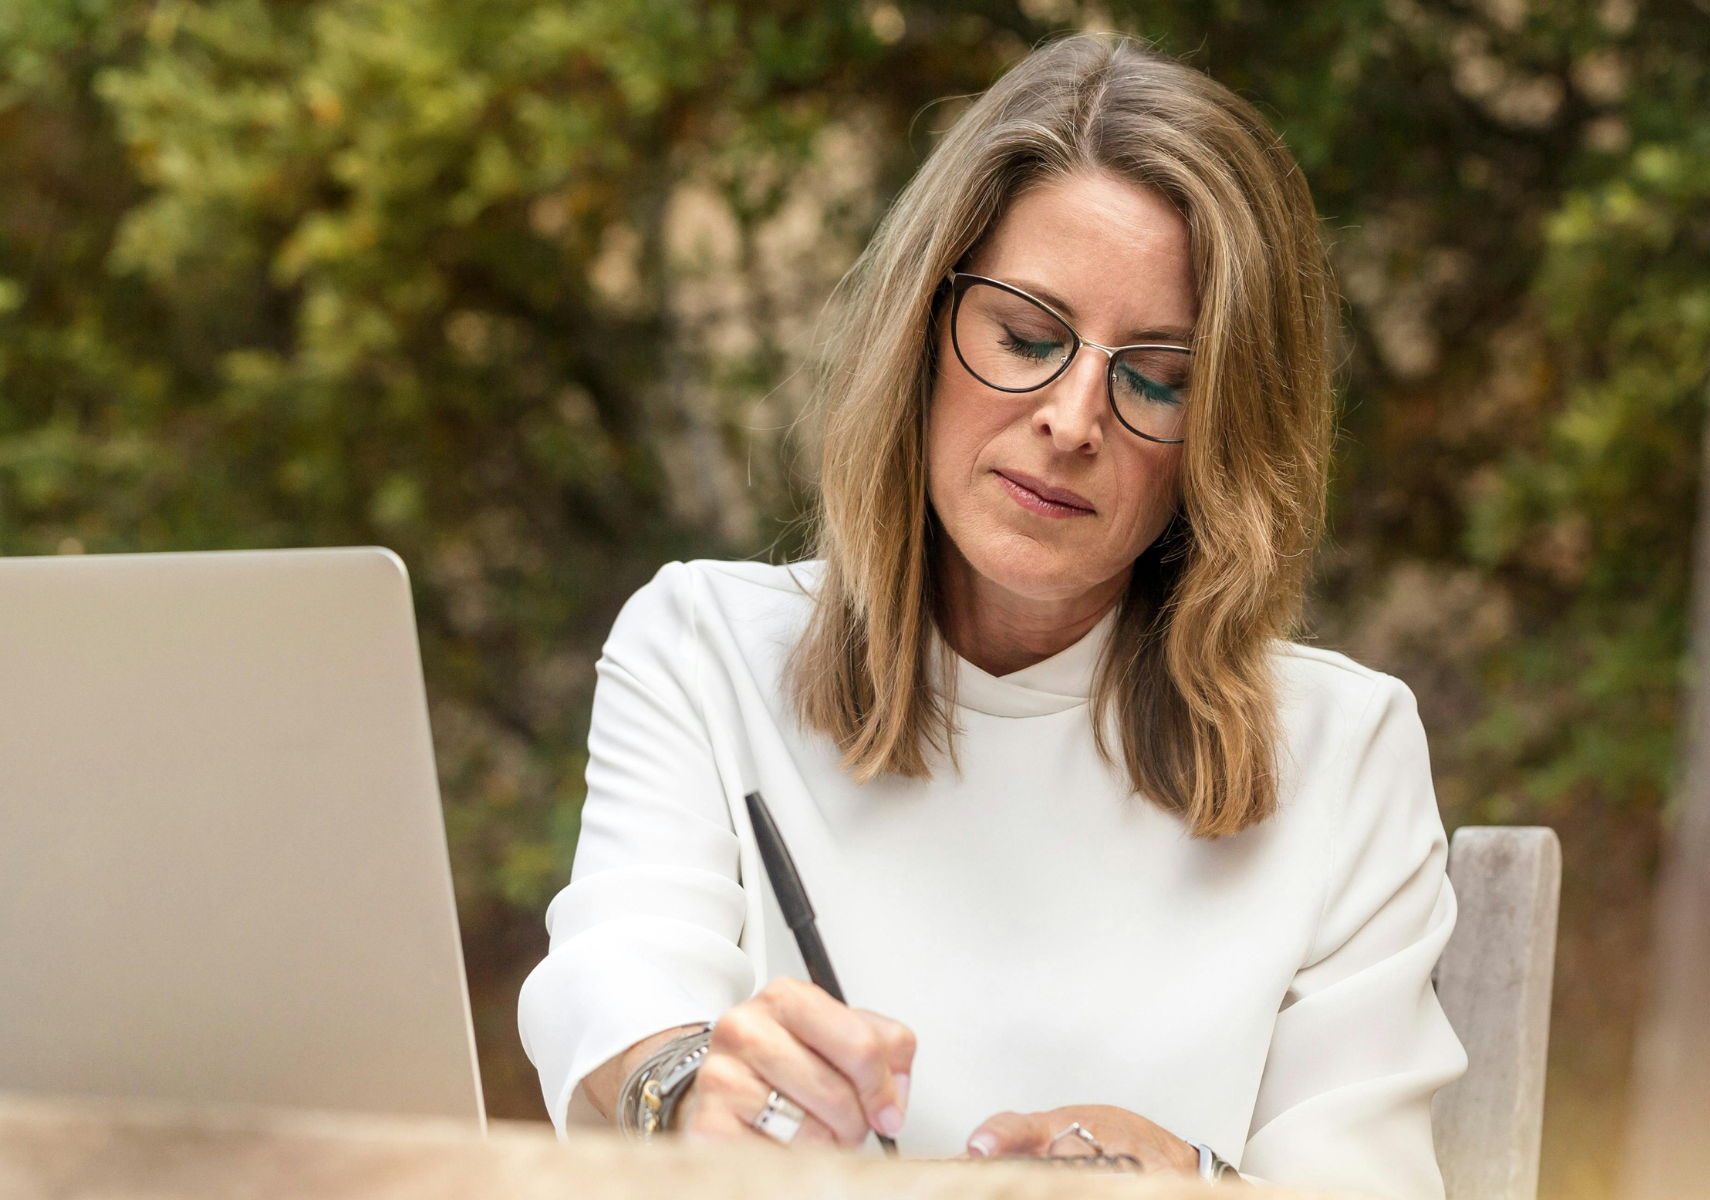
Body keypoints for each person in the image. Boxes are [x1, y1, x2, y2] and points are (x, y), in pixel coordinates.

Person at [516, 31, 1465, 1199]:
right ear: (924, 327)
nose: (1073, 419)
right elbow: (624, 982)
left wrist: (1205, 1183)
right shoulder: (706, 649)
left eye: (1158, 377)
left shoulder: (1343, 753)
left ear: (1223, 435)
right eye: (1026, 336)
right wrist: (687, 1087)